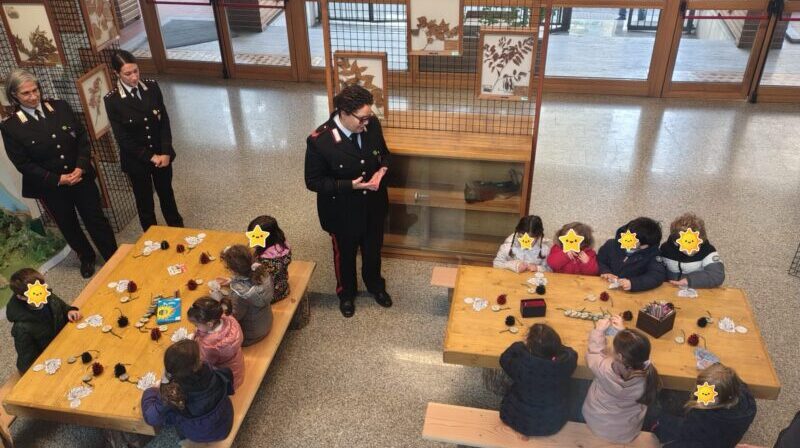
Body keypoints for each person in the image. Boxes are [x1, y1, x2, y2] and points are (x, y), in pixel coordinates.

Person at [2, 69, 118, 278]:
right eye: (26, 93)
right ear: (14, 96)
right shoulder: (11, 127)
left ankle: (112, 254)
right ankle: (86, 257)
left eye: (35, 90)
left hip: (80, 176)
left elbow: (82, 138)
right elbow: (23, 163)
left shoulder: (60, 107)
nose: (33, 96)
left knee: (96, 218)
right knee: (68, 224)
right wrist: (58, 179)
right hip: (51, 186)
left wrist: (80, 167)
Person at [304, 84, 391, 318]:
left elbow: (384, 154)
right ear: (343, 112)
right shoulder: (319, 141)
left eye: (368, 117)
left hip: (373, 207)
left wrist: (381, 171)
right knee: (345, 256)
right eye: (361, 119)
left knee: (373, 252)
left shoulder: (371, 125)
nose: (366, 123)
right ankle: (346, 294)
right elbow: (313, 182)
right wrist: (349, 185)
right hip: (341, 212)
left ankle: (375, 286)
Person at [104, 50, 183, 232]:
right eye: (128, 73)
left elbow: (163, 121)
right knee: (144, 202)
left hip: (162, 156)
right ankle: (151, 236)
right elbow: (122, 138)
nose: (134, 77)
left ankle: (178, 230)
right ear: (117, 74)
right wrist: (150, 157)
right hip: (137, 161)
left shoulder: (152, 87)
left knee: (167, 196)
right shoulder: (113, 100)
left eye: (136, 71)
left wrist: (165, 151)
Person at [583, 318, 661, 444]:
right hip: (627, 430)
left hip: (597, 421)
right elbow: (638, 353)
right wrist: (624, 334)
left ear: (619, 356)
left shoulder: (604, 369)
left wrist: (598, 331)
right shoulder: (648, 375)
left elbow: (593, 353)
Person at [141, 339, 234, 443]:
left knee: (169, 413)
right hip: (226, 422)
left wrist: (151, 391)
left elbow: (151, 418)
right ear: (197, 363)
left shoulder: (174, 392)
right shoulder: (212, 371)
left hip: (198, 434)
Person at [499, 323, 577, 436]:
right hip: (553, 422)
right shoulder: (566, 363)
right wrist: (556, 347)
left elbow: (504, 359)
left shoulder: (522, 365)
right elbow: (572, 353)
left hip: (519, 419)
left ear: (529, 348)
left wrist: (519, 346)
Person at [653, 363, 756, 448]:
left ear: (716, 399)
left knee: (659, 416)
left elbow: (686, 440)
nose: (698, 394)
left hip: (700, 439)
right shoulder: (746, 401)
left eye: (704, 394)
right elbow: (730, 379)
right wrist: (715, 373)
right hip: (724, 438)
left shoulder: (702, 421)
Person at [7, 268, 81, 373]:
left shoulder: (47, 296)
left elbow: (63, 307)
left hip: (67, 340)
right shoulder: (22, 328)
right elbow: (26, 363)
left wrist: (70, 311)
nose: (42, 294)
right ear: (21, 297)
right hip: (53, 358)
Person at [220, 244, 274, 346]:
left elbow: (234, 317)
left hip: (250, 335)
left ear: (233, 270)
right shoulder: (261, 273)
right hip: (266, 321)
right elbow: (249, 281)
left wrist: (221, 308)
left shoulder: (240, 294)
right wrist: (232, 281)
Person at [187, 297, 245, 390]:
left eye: (196, 325)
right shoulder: (228, 318)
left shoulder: (209, 346)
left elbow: (203, 364)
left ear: (210, 324)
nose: (196, 328)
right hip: (236, 371)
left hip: (226, 382)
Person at [597, 217, 666, 292]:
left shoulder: (653, 254)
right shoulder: (611, 245)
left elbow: (656, 276)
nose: (645, 247)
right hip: (606, 288)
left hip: (631, 295)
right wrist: (605, 271)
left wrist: (633, 283)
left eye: (646, 245)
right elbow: (600, 260)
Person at [659, 213, 725, 289]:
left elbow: (717, 275)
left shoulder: (708, 251)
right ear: (676, 243)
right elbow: (659, 269)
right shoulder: (666, 249)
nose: (693, 249)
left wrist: (690, 280)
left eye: (697, 244)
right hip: (670, 289)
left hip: (697, 289)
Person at [247, 215, 292, 303]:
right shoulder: (281, 244)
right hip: (282, 285)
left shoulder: (268, 261)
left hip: (273, 294)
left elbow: (259, 279)